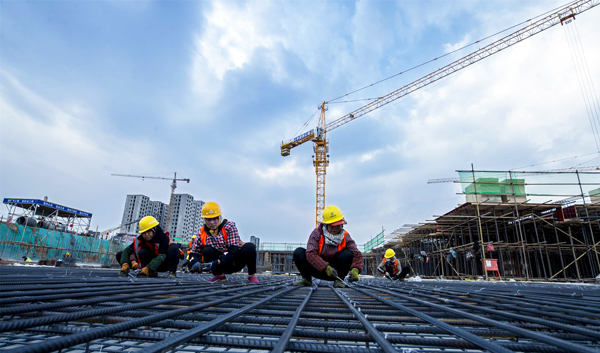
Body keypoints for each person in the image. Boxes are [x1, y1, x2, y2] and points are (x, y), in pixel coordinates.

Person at [293, 205, 363, 288]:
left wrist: (356, 269)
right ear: (326, 225)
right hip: (318, 270)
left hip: (336, 273)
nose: (335, 228)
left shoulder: (345, 236)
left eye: (338, 225)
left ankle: (339, 281)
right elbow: (311, 254)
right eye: (332, 225)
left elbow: (357, 254)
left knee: (347, 254)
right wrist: (326, 268)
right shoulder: (317, 234)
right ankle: (307, 279)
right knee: (299, 252)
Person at [190, 201, 259, 283]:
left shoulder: (229, 226)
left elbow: (233, 250)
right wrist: (194, 262)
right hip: (221, 266)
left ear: (219, 217)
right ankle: (219, 276)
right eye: (209, 220)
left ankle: (251, 276)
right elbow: (194, 251)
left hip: (235, 261)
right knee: (207, 250)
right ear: (205, 220)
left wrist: (218, 261)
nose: (212, 222)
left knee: (250, 247)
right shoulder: (202, 232)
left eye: (214, 219)